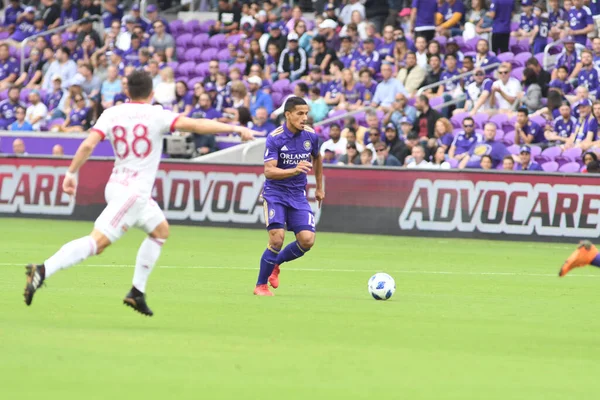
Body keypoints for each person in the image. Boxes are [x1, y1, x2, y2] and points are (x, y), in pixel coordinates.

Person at [23, 70, 257, 313]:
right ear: (152, 92)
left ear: (127, 91)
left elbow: (88, 144)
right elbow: (197, 124)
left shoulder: (111, 113)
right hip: (132, 193)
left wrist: (71, 173)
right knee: (98, 242)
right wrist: (235, 129)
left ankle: (137, 291)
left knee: (160, 230)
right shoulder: (157, 115)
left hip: (118, 185)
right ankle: (42, 270)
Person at [255, 97, 324, 297]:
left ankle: (275, 264)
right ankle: (260, 285)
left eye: (306, 114)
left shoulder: (311, 136)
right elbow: (269, 171)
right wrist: (294, 170)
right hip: (275, 194)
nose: (305, 118)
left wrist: (320, 187)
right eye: (299, 114)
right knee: (277, 239)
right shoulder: (275, 137)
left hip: (297, 194)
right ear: (288, 115)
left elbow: (317, 157)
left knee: (307, 240)